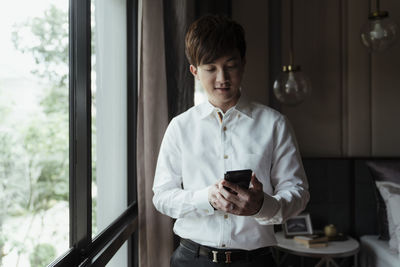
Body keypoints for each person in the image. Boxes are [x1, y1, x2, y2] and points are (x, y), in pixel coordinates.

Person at [153, 14, 309, 267]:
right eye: (210, 68)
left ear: (243, 63)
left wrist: (262, 206)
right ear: (195, 71)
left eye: (230, 65)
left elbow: (298, 194)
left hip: (255, 261)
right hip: (192, 259)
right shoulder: (180, 127)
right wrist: (207, 199)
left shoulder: (274, 124)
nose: (222, 78)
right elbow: (161, 197)